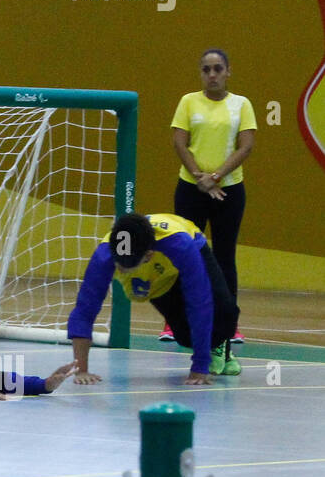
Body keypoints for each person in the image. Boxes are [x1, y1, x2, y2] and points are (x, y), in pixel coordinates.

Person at [69, 212, 241, 385]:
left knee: (226, 315)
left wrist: (200, 367)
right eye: (118, 264)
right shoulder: (104, 256)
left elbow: (199, 301)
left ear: (148, 256)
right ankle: (206, 342)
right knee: (184, 337)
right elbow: (84, 309)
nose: (120, 271)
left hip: (190, 255)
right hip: (159, 280)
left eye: (127, 266)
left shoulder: (181, 244)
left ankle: (217, 346)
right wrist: (81, 371)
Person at [163, 49, 256, 345]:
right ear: (200, 73)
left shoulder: (241, 105)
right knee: (184, 254)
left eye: (218, 69)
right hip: (191, 190)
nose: (212, 74)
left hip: (229, 191)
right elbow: (180, 142)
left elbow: (245, 146)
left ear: (229, 71)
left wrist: (215, 177)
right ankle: (173, 323)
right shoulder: (188, 102)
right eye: (206, 69)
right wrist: (200, 178)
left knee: (224, 257)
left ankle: (230, 326)